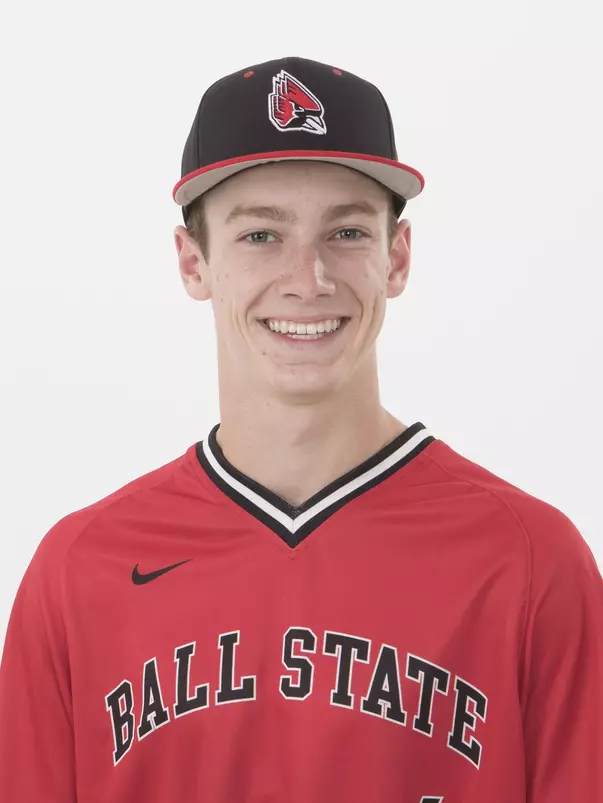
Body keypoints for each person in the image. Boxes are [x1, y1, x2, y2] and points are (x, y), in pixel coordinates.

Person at [0, 56, 602, 803]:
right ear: (193, 262)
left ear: (396, 258)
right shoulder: (78, 572)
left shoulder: (530, 562)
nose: (308, 278)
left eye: (346, 231)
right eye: (261, 235)